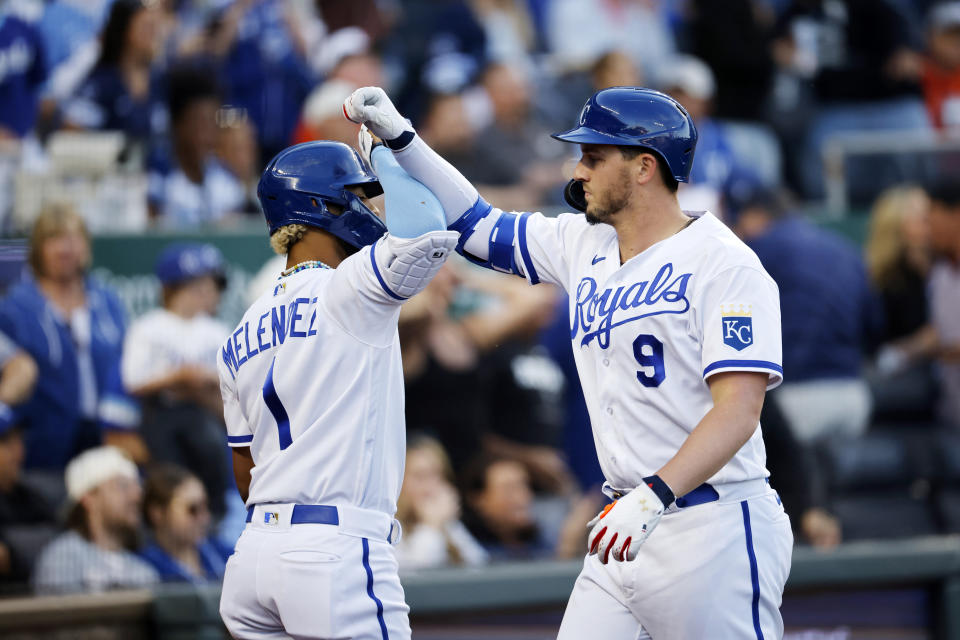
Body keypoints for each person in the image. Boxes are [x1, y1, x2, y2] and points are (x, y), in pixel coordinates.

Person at [346, 85, 792, 638]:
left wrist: (656, 493)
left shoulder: (726, 264)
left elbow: (739, 410)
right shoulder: (584, 243)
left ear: (645, 167)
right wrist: (405, 140)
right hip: (623, 523)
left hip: (711, 523)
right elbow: (477, 225)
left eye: (594, 157)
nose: (577, 169)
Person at [217, 134, 458, 639]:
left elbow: (246, 475)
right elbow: (427, 233)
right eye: (361, 194)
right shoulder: (348, 289)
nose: (372, 208)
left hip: (253, 558)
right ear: (327, 204)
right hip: (334, 550)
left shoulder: (238, 333)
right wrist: (394, 152)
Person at [0, 203, 142, 471]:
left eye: (72, 238)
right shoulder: (15, 307)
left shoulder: (107, 301)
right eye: (54, 239)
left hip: (105, 433)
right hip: (42, 440)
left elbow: (126, 363)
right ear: (38, 249)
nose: (65, 249)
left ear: (86, 245)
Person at [121, 242, 232, 520]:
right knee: (171, 484)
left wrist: (201, 378)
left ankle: (214, 522)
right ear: (176, 287)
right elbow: (133, 380)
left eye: (210, 286)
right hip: (162, 412)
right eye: (200, 285)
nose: (209, 293)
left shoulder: (216, 330)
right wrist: (178, 376)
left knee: (212, 459)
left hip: (206, 413)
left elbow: (235, 382)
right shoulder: (149, 325)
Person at [32, 446, 159, 594]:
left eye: (137, 487)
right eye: (123, 486)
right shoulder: (63, 556)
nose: (136, 496)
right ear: (89, 498)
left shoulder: (143, 570)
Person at [394, 434, 487, 570]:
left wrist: (441, 523)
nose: (431, 487)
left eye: (437, 475)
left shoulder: (447, 523)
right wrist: (431, 525)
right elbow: (416, 578)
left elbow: (480, 568)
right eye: (420, 477)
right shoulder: (390, 527)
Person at [139, 463, 232, 583]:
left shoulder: (224, 553)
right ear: (158, 513)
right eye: (193, 509)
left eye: (205, 506)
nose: (205, 517)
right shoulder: (144, 568)